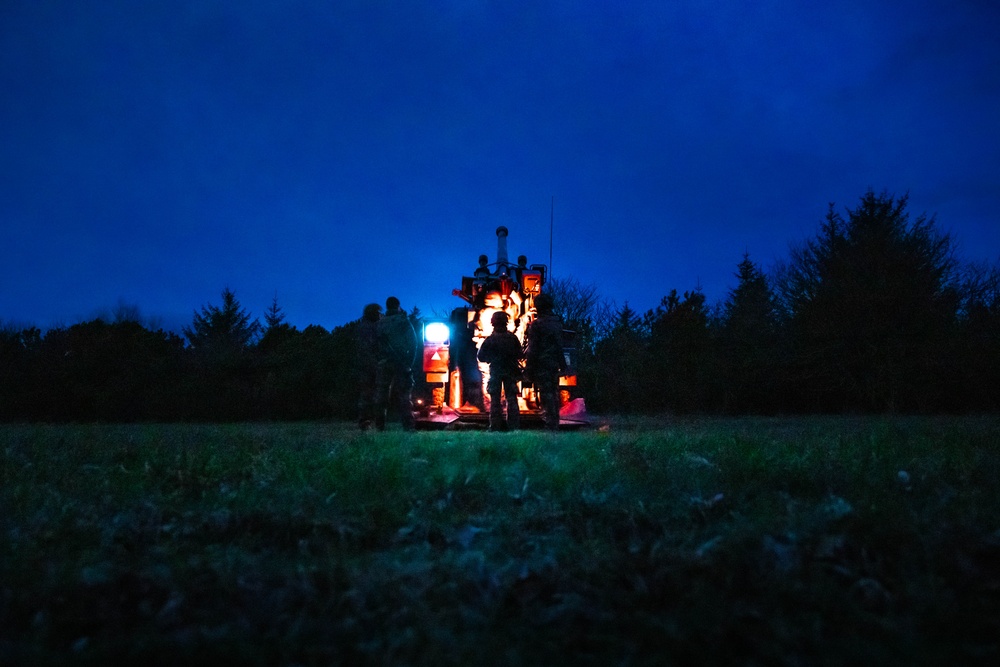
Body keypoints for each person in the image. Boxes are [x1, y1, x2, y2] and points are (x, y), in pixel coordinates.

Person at [374, 296, 418, 431]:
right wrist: (409, 363)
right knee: (404, 395)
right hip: (401, 363)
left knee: (382, 394)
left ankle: (379, 426)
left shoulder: (380, 323)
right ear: (398, 306)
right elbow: (413, 343)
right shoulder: (403, 321)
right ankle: (408, 426)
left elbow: (375, 344)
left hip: (384, 363)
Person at [524, 293, 564, 430]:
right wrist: (563, 365)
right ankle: (555, 424)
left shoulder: (537, 325)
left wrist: (528, 369)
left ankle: (550, 425)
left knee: (546, 394)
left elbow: (533, 349)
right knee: (554, 392)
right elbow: (560, 346)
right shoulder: (557, 324)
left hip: (542, 365)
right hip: (553, 364)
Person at [477, 311, 522, 431]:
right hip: (510, 371)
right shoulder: (512, 338)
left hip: (496, 371)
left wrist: (491, 358)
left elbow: (481, 357)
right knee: (512, 399)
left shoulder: (490, 340)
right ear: (506, 322)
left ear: (493, 323)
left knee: (495, 400)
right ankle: (514, 427)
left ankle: (495, 426)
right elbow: (520, 354)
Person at [356, 302, 382, 430]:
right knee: (370, 394)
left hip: (366, 365)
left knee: (367, 395)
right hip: (370, 365)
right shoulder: (368, 328)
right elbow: (371, 347)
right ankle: (367, 421)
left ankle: (366, 421)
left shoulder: (364, 326)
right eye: (378, 312)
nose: (380, 315)